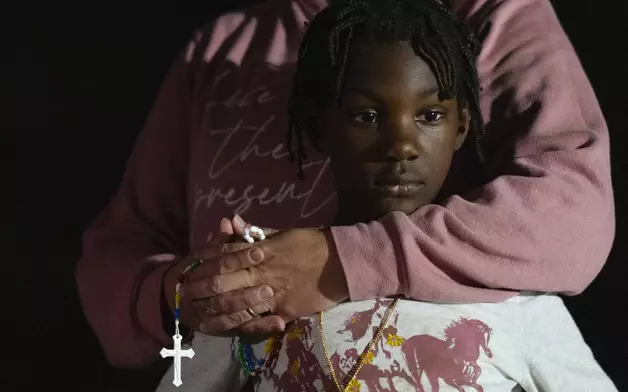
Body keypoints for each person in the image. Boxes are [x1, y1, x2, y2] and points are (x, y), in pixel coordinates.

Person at [75, 0, 613, 375]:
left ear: (461, 123)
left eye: (430, 115)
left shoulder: (488, 17)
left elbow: (572, 212)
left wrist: (339, 259)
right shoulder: (221, 50)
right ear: (318, 125)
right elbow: (116, 259)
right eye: (366, 115)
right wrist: (189, 297)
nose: (400, 144)